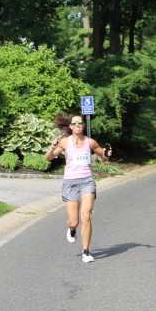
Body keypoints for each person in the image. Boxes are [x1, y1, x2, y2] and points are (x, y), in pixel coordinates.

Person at [45, 113, 112, 263]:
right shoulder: (64, 142)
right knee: (73, 221)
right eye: (75, 123)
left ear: (84, 125)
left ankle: (86, 252)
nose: (78, 125)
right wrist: (52, 147)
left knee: (86, 216)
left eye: (80, 123)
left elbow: (104, 155)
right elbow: (48, 157)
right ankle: (72, 229)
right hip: (70, 183)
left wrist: (107, 153)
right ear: (70, 126)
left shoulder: (90, 142)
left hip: (87, 181)